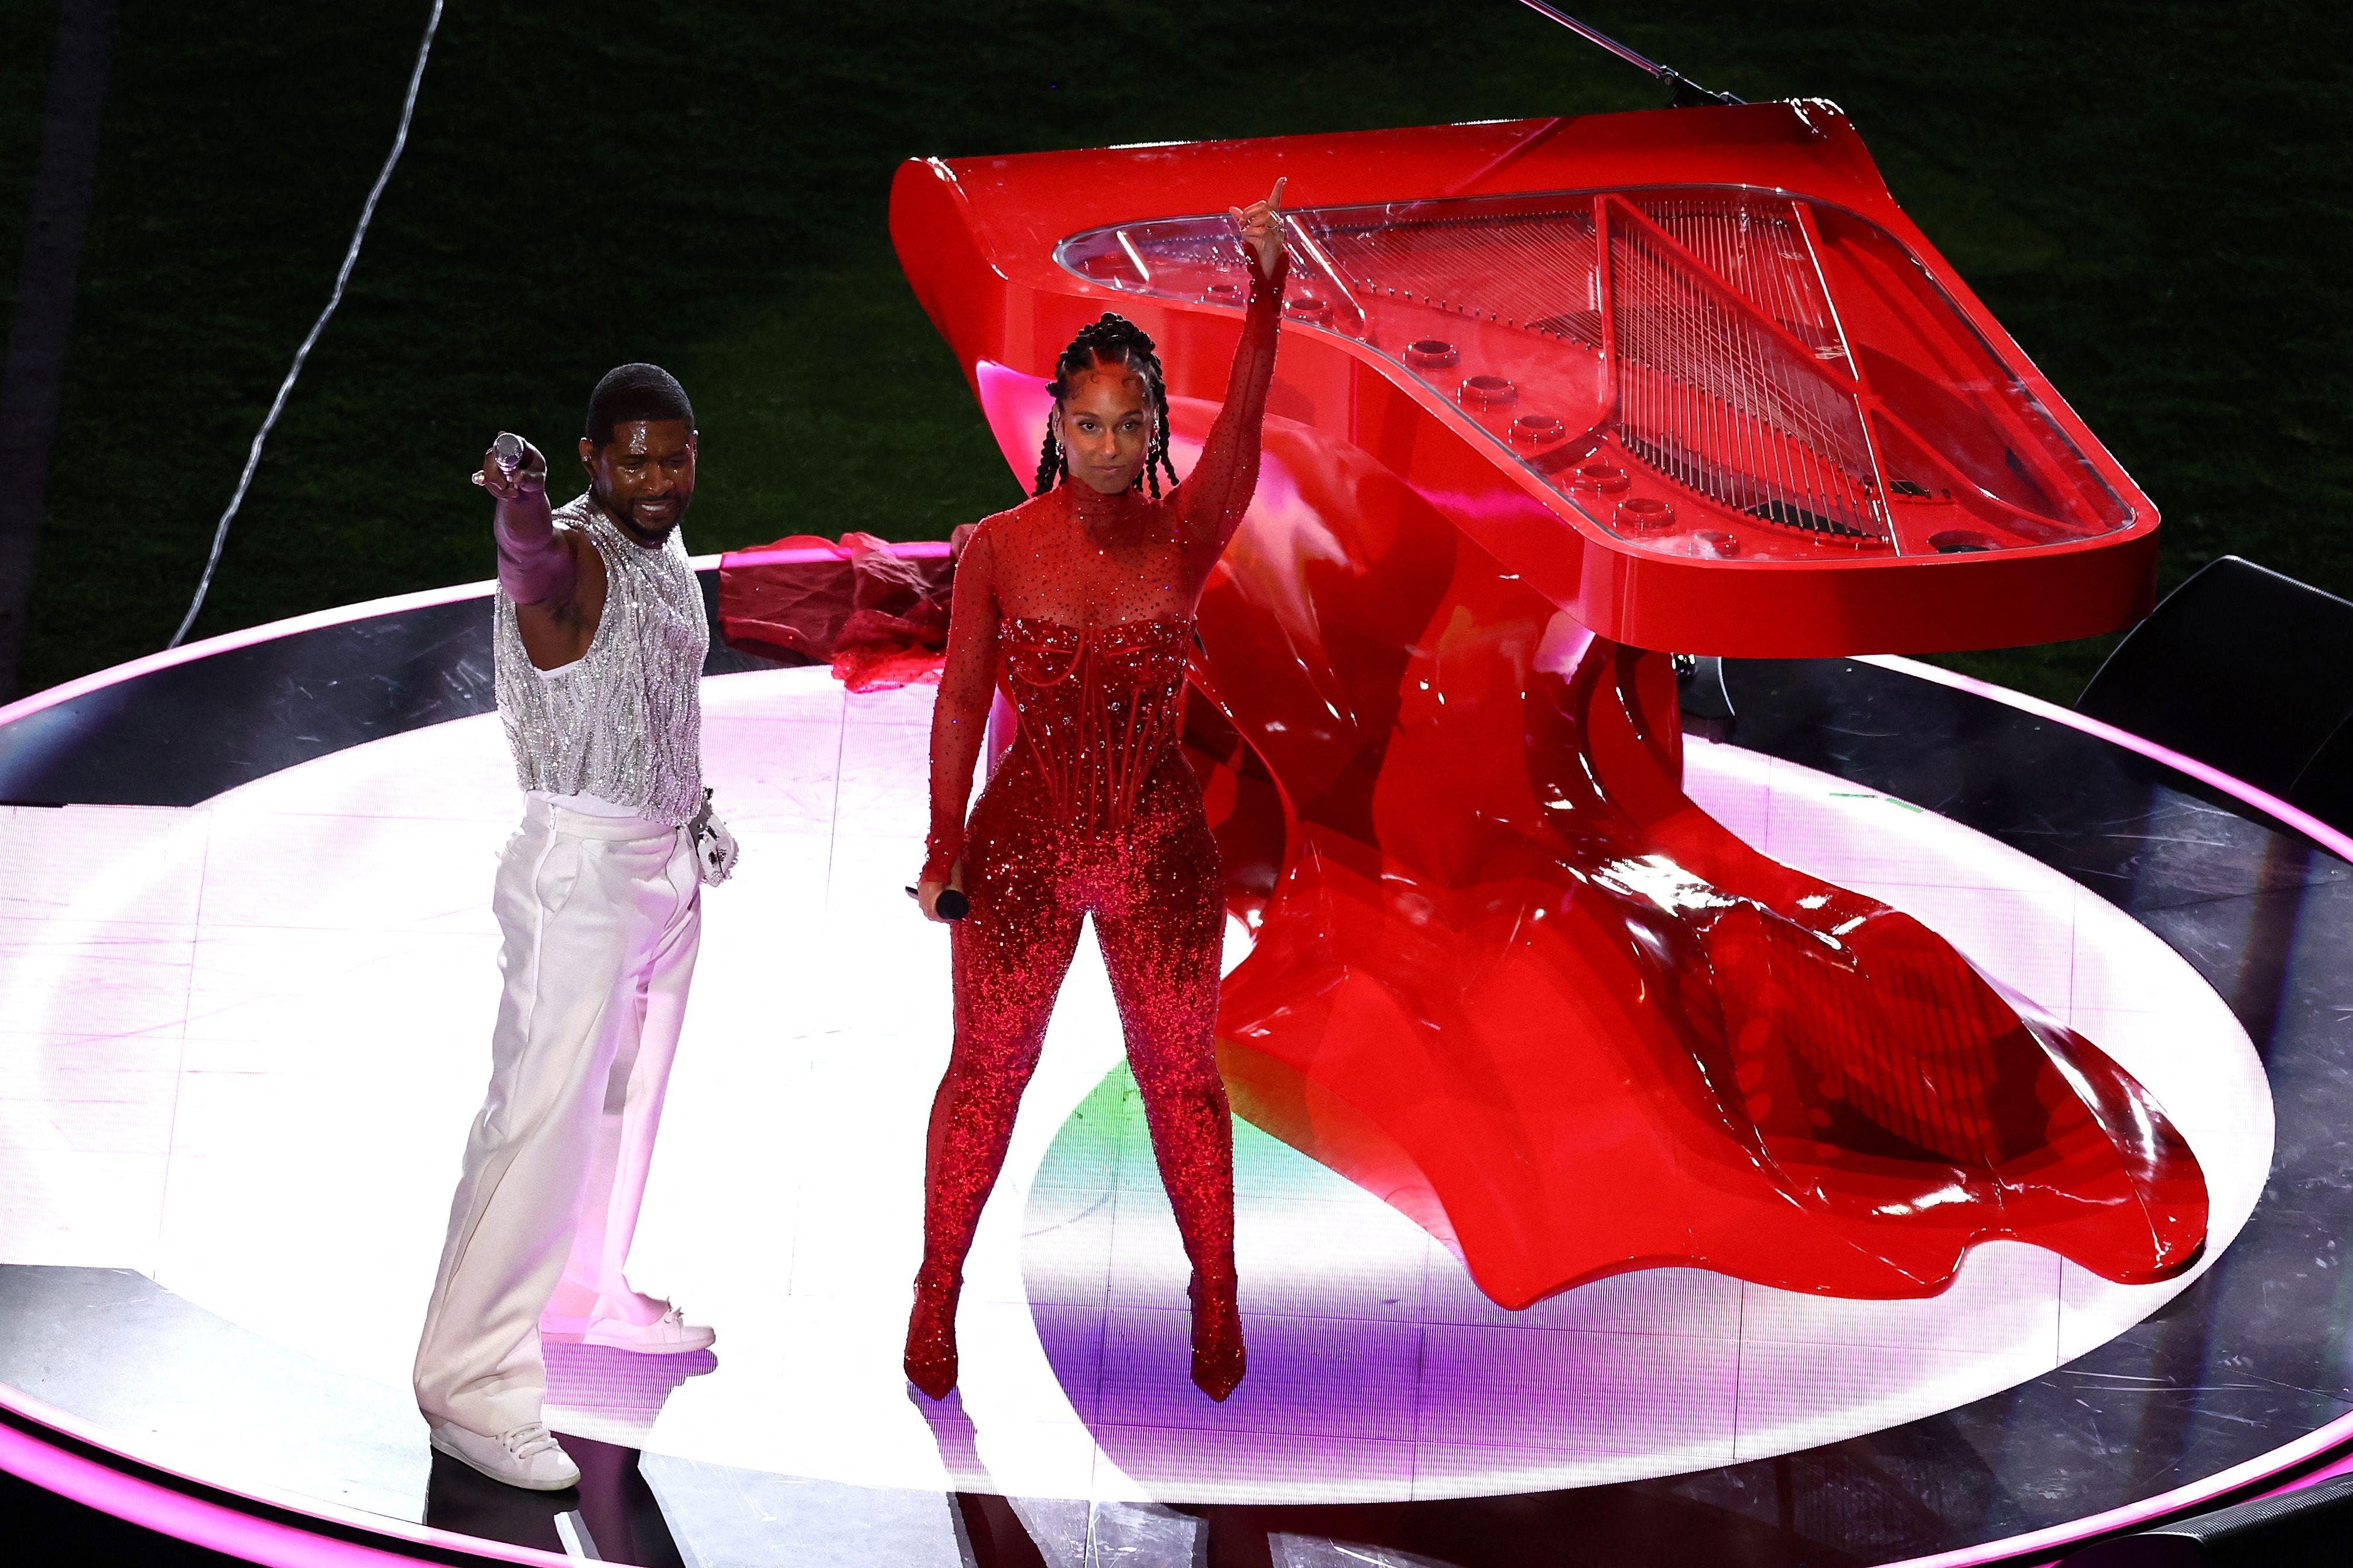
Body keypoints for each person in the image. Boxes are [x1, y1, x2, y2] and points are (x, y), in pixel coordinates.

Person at [910, 181, 1289, 1404]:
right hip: (1019, 846)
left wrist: (1267, 291)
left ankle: (1217, 1293)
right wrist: (942, 844)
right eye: (1091, 422)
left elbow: (1244, 438)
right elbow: (961, 701)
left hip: (1159, 842)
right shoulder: (1000, 550)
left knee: (1184, 1074)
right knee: (985, 1073)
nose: (1112, 444)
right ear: (1058, 426)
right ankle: (934, 1293)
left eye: (1132, 425)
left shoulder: (1184, 535)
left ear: (1152, 428)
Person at [414, 364, 739, 1490]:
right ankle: (468, 1385)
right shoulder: (568, 552)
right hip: (582, 873)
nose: (658, 478)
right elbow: (533, 570)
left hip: (663, 859)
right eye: (633, 459)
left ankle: (587, 1295)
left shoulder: (662, 554)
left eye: (676, 454)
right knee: (539, 1122)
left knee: (622, 1103)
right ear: (592, 462)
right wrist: (513, 506)